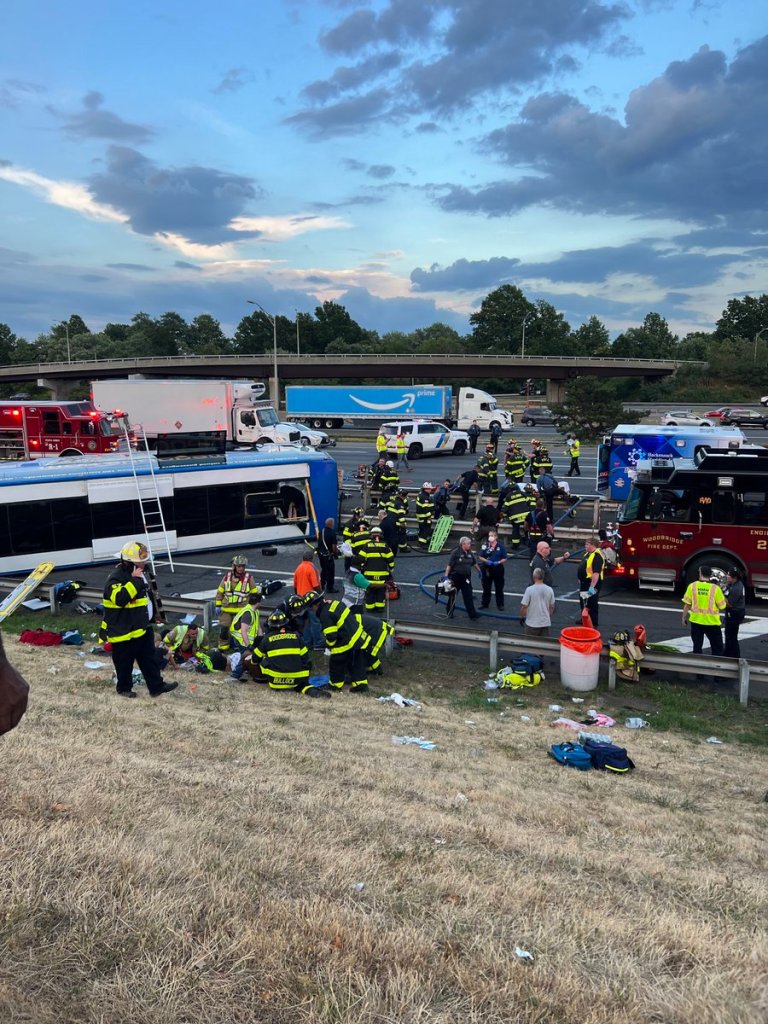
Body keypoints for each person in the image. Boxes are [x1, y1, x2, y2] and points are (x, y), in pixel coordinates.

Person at [101, 541, 177, 699]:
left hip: (141, 626)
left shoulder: (141, 573)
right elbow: (120, 599)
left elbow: (148, 597)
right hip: (123, 630)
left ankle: (156, 687)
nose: (144, 562)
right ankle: (124, 688)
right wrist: (134, 581)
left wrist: (154, 615)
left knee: (148, 659)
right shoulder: (115, 578)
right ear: (128, 562)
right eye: (141, 560)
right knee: (124, 663)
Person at [305, 590, 372, 693]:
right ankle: (361, 686)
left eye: (311, 607)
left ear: (315, 605)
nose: (312, 610)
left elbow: (331, 637)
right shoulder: (335, 603)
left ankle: (335, 686)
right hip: (358, 638)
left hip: (346, 642)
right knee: (356, 664)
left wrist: (327, 645)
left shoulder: (325, 614)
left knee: (336, 663)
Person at [252, 610, 330, 697]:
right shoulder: (296, 636)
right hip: (297, 679)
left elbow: (254, 659)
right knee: (302, 680)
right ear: (286, 623)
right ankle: (310, 690)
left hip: (276, 681)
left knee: (263, 659)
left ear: (270, 625)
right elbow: (305, 658)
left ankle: (262, 679)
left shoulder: (267, 639)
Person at [215, 554, 259, 651]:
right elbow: (220, 591)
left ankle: (237, 646)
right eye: (239, 566)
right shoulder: (227, 577)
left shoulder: (249, 578)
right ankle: (223, 646)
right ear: (234, 567)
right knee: (224, 628)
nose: (241, 568)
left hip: (241, 610)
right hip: (226, 609)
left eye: (243, 566)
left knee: (238, 630)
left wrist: (253, 607)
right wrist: (218, 605)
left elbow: (254, 594)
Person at [682, 565, 725, 656]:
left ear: (700, 573)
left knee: (697, 647)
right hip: (712, 623)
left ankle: (697, 666)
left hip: (696, 622)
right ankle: (717, 667)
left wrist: (683, 618)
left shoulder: (692, 586)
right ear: (710, 575)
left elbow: (687, 604)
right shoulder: (715, 588)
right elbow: (722, 606)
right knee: (717, 648)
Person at [358, 525, 395, 612]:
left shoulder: (366, 546)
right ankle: (380, 607)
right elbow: (390, 559)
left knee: (369, 591)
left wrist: (362, 567)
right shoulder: (385, 546)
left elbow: (360, 559)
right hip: (382, 576)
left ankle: (370, 608)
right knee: (381, 591)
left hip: (369, 576)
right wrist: (391, 568)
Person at [228, 590, 264, 680]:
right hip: (240, 639)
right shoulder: (248, 613)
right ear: (258, 602)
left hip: (246, 639)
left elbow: (258, 626)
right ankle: (236, 674)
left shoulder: (255, 611)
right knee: (245, 655)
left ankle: (242, 672)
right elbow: (243, 631)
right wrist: (248, 645)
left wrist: (261, 639)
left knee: (246, 655)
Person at [293, 551, 324, 650]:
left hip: (301, 600)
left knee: (306, 623)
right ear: (311, 558)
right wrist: (321, 596)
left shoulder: (298, 568)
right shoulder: (312, 568)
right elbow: (316, 585)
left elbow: (295, 586)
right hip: (312, 600)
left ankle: (307, 643)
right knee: (315, 622)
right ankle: (318, 644)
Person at [445, 536, 480, 620]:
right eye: (468, 543)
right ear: (463, 544)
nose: (470, 545)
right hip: (456, 578)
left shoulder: (470, 553)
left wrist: (480, 572)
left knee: (468, 596)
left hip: (466, 578)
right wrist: (445, 576)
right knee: (452, 596)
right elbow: (449, 565)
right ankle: (449, 612)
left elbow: (474, 563)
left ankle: (472, 615)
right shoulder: (455, 553)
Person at [578, 538, 605, 629]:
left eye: (587, 544)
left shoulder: (597, 556)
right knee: (583, 601)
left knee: (591, 602)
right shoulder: (588, 554)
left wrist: (592, 587)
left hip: (591, 584)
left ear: (593, 545)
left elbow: (596, 573)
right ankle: (584, 618)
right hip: (585, 583)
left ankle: (593, 623)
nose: (585, 546)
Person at [520, 568, 556, 636]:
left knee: (529, 643)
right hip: (545, 623)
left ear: (533, 577)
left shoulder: (529, 590)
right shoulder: (550, 589)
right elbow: (552, 607)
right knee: (543, 644)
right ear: (543, 577)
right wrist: (548, 616)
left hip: (532, 623)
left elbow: (525, 606)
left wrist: (521, 616)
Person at [478, 530, 507, 610]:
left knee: (499, 587)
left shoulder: (500, 547)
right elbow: (480, 556)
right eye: (489, 535)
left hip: (498, 569)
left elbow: (505, 558)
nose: (490, 537)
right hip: (487, 568)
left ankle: (500, 604)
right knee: (486, 587)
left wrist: (499, 562)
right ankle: (485, 603)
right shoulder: (485, 546)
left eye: (492, 535)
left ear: (496, 537)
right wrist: (487, 561)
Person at [723, 567, 746, 658]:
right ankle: (728, 653)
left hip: (735, 614)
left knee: (731, 636)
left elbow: (729, 604)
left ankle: (735, 656)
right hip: (732, 613)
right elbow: (726, 592)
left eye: (728, 575)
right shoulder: (732, 584)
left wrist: (719, 596)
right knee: (728, 634)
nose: (727, 576)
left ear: (734, 577)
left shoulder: (737, 588)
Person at [500, 484, 530, 551]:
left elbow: (505, 509)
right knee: (527, 529)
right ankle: (527, 542)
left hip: (515, 518)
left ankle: (515, 545)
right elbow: (529, 503)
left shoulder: (508, 496)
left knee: (515, 530)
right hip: (526, 516)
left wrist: (506, 515)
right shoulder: (522, 493)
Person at [317, 517, 339, 593]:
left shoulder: (321, 531)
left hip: (321, 555)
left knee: (324, 570)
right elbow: (334, 547)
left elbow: (319, 543)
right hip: (328, 556)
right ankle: (330, 588)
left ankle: (322, 585)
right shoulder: (332, 533)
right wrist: (336, 554)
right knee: (330, 572)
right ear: (331, 524)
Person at [415, 482, 435, 550]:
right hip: (425, 517)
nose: (430, 490)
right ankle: (422, 543)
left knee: (422, 529)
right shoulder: (424, 497)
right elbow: (425, 509)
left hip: (421, 516)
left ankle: (421, 541)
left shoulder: (422, 494)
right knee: (425, 530)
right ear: (425, 489)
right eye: (429, 489)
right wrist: (430, 516)